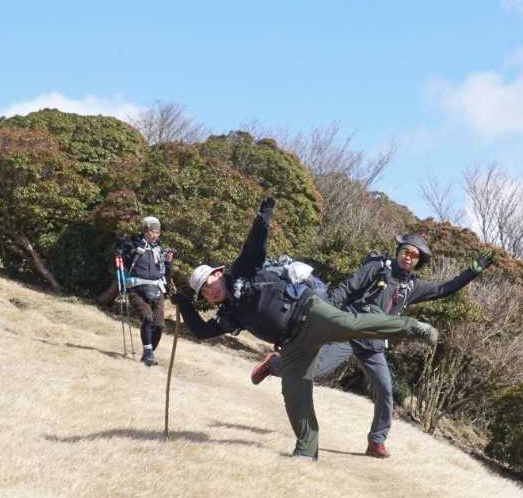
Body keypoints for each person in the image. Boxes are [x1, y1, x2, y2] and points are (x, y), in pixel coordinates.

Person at [172, 196, 439, 460]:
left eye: (209, 283)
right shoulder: (228, 314)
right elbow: (202, 331)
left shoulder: (241, 272)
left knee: (350, 324)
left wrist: (263, 218)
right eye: (203, 292)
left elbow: (255, 246)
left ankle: (413, 327)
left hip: (310, 313)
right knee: (294, 392)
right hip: (292, 345)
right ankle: (307, 450)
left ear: (218, 273)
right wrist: (184, 304)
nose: (209, 291)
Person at [251, 233, 494, 459]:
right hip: (348, 331)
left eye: (414, 255)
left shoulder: (412, 286)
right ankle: (276, 365)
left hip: (373, 343)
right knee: (315, 370)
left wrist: (473, 271)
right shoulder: (378, 268)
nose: (408, 257)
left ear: (418, 262)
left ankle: (376, 442)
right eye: (406, 251)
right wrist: (327, 313)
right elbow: (347, 287)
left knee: (385, 390)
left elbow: (444, 288)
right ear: (398, 251)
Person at [115, 215, 174, 366]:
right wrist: (121, 249)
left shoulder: (159, 250)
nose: (155, 235)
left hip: (157, 290)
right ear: (145, 230)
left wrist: (168, 262)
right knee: (147, 317)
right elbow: (122, 254)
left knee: (159, 325)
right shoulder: (134, 244)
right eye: (152, 231)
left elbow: (166, 274)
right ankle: (148, 354)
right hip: (136, 289)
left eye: (157, 232)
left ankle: (149, 354)